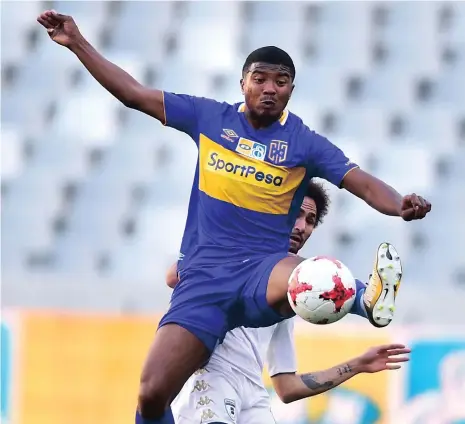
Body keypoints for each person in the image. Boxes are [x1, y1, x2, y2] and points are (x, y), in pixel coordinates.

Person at [36, 11, 431, 424]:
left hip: (262, 268)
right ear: (242, 82)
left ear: (292, 90)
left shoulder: (303, 143)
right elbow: (134, 94)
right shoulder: (209, 119)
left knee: (308, 276)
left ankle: (367, 298)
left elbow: (361, 182)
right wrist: (77, 42)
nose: (269, 88)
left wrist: (399, 204)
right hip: (206, 278)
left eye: (280, 81)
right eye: (260, 78)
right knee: (151, 395)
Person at [170, 181, 409, 423]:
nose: (301, 227)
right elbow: (173, 275)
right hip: (212, 379)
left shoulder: (290, 300)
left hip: (252, 395)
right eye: (295, 214)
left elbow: (286, 387)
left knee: (299, 276)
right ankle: (362, 299)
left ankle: (364, 298)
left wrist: (358, 364)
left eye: (310, 220)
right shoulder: (235, 251)